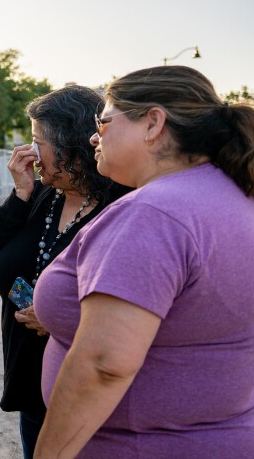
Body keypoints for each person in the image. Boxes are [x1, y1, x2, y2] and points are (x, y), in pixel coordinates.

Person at [33, 66, 254, 458]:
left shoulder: (153, 213)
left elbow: (104, 365)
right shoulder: (232, 197)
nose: (93, 135)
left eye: (104, 122)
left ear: (153, 123)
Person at [0, 85, 128, 458]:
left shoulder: (120, 205)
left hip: (84, 390)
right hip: (29, 381)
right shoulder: (42, 195)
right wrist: (20, 192)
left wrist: (60, 316)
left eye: (37, 141)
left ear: (71, 146)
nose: (29, 153)